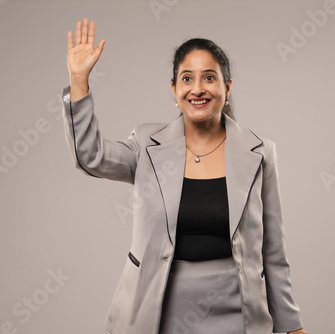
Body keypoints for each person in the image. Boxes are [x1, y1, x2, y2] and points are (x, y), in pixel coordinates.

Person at [62, 17, 309, 334]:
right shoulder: (146, 146)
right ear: (174, 89)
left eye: (209, 78)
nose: (198, 88)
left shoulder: (260, 152)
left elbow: (273, 251)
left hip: (239, 311)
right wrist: (79, 80)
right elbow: (90, 156)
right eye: (187, 78)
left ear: (226, 87)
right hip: (158, 309)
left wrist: (291, 325)